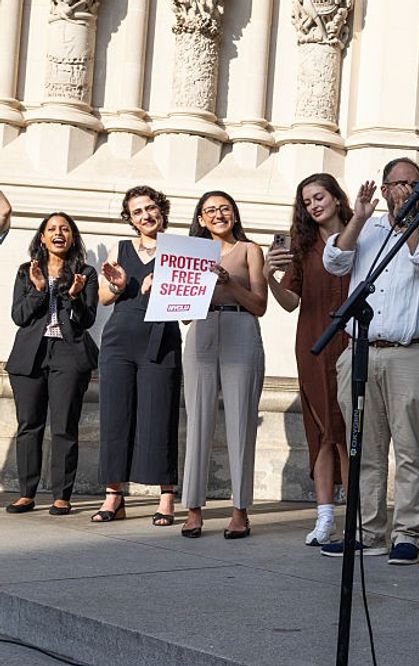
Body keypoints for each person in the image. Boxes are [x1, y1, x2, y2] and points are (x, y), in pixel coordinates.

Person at [318, 158, 419, 565]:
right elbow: (335, 262)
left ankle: (407, 533)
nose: (405, 191)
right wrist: (359, 218)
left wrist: (408, 223)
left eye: (412, 184)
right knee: (366, 449)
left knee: (412, 449)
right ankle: (367, 532)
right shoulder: (368, 228)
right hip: (362, 350)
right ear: (382, 190)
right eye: (397, 184)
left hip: (413, 353)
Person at [266, 173, 353, 546]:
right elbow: (289, 302)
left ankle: (357, 518)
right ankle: (324, 518)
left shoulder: (361, 235)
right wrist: (269, 277)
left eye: (319, 197)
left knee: (348, 431)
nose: (313, 205)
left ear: (336, 198)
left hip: (352, 342)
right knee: (321, 432)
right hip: (314, 344)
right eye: (306, 201)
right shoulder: (302, 245)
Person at [179, 191, 267, 539]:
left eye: (225, 208)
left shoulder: (249, 250)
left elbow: (259, 304)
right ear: (200, 218)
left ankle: (240, 510)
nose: (218, 214)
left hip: (240, 327)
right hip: (201, 330)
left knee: (241, 420)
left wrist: (230, 283)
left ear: (234, 214)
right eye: (210, 210)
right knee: (198, 419)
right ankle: (193, 508)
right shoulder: (188, 254)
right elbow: (184, 316)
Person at [94, 186, 182, 525]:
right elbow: (104, 298)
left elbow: (188, 312)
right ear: (130, 219)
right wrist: (117, 284)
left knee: (160, 416)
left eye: (149, 208)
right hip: (119, 341)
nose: (145, 216)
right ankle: (114, 496)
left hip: (161, 340)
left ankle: (166, 496)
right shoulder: (122, 248)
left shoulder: (180, 250)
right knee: (115, 417)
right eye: (137, 212)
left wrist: (163, 286)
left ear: (161, 208)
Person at [6, 212, 98, 515]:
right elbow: (19, 316)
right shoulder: (25, 271)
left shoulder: (85, 272)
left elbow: (87, 320)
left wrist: (73, 296)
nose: (59, 233)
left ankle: (62, 495)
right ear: (42, 237)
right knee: (29, 425)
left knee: (63, 426)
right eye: (52, 229)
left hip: (68, 354)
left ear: (72, 237)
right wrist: (39, 289)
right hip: (30, 355)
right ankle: (27, 493)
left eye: (65, 229)